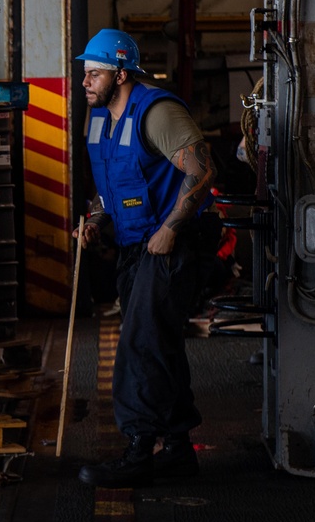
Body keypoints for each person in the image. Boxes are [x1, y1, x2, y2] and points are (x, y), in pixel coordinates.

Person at [73, 28, 217, 488]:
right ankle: (177, 449)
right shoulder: (99, 120)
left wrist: (171, 229)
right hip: (134, 249)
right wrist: (96, 219)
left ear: (120, 72)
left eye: (93, 74)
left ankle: (139, 447)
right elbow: (111, 183)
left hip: (169, 248)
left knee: (138, 345)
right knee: (159, 345)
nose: (85, 83)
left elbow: (203, 169)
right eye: (84, 74)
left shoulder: (156, 111)